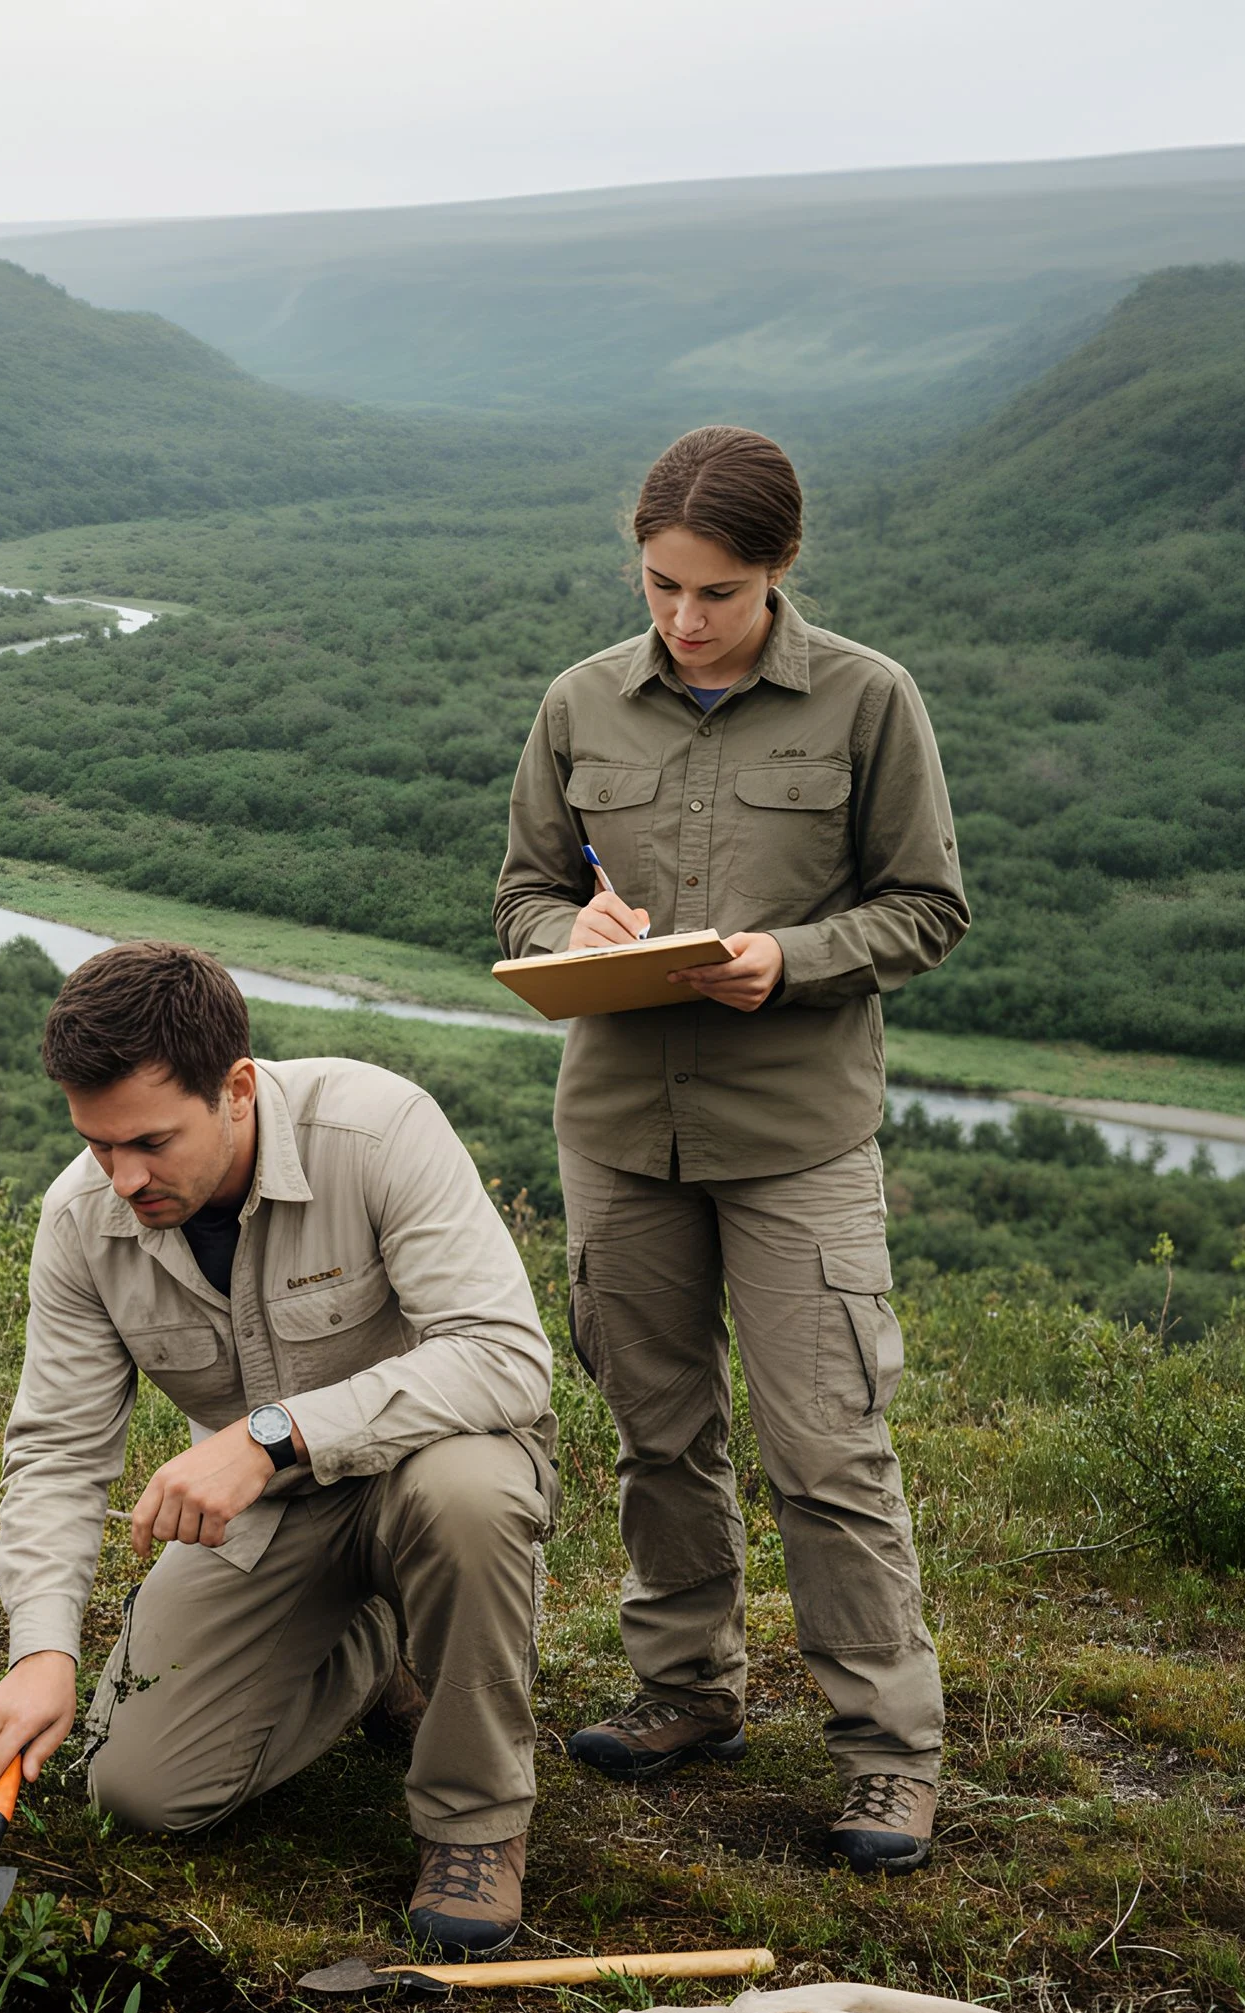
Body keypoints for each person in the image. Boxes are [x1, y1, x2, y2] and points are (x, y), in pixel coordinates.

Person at [495, 425, 969, 1875]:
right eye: (660, 587)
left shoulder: (868, 699)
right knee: (658, 1432)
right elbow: (520, 896)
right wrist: (565, 935)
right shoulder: (581, 704)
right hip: (621, 1135)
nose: (686, 620)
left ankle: (889, 1756)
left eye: (718, 592)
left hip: (794, 1139)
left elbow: (927, 909)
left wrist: (791, 956)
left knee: (827, 1450)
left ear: (779, 571)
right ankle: (687, 1693)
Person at [0, 942, 558, 1955]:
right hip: (275, 1517)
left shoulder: (375, 1130)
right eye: (98, 1144)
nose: (122, 1177)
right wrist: (40, 1647)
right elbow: (58, 1455)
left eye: (151, 1142)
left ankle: (476, 1820)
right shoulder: (79, 1219)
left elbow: (504, 1359)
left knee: (468, 1499)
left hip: (431, 1468)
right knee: (138, 1786)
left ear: (237, 1088)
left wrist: (274, 1433)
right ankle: (374, 1648)